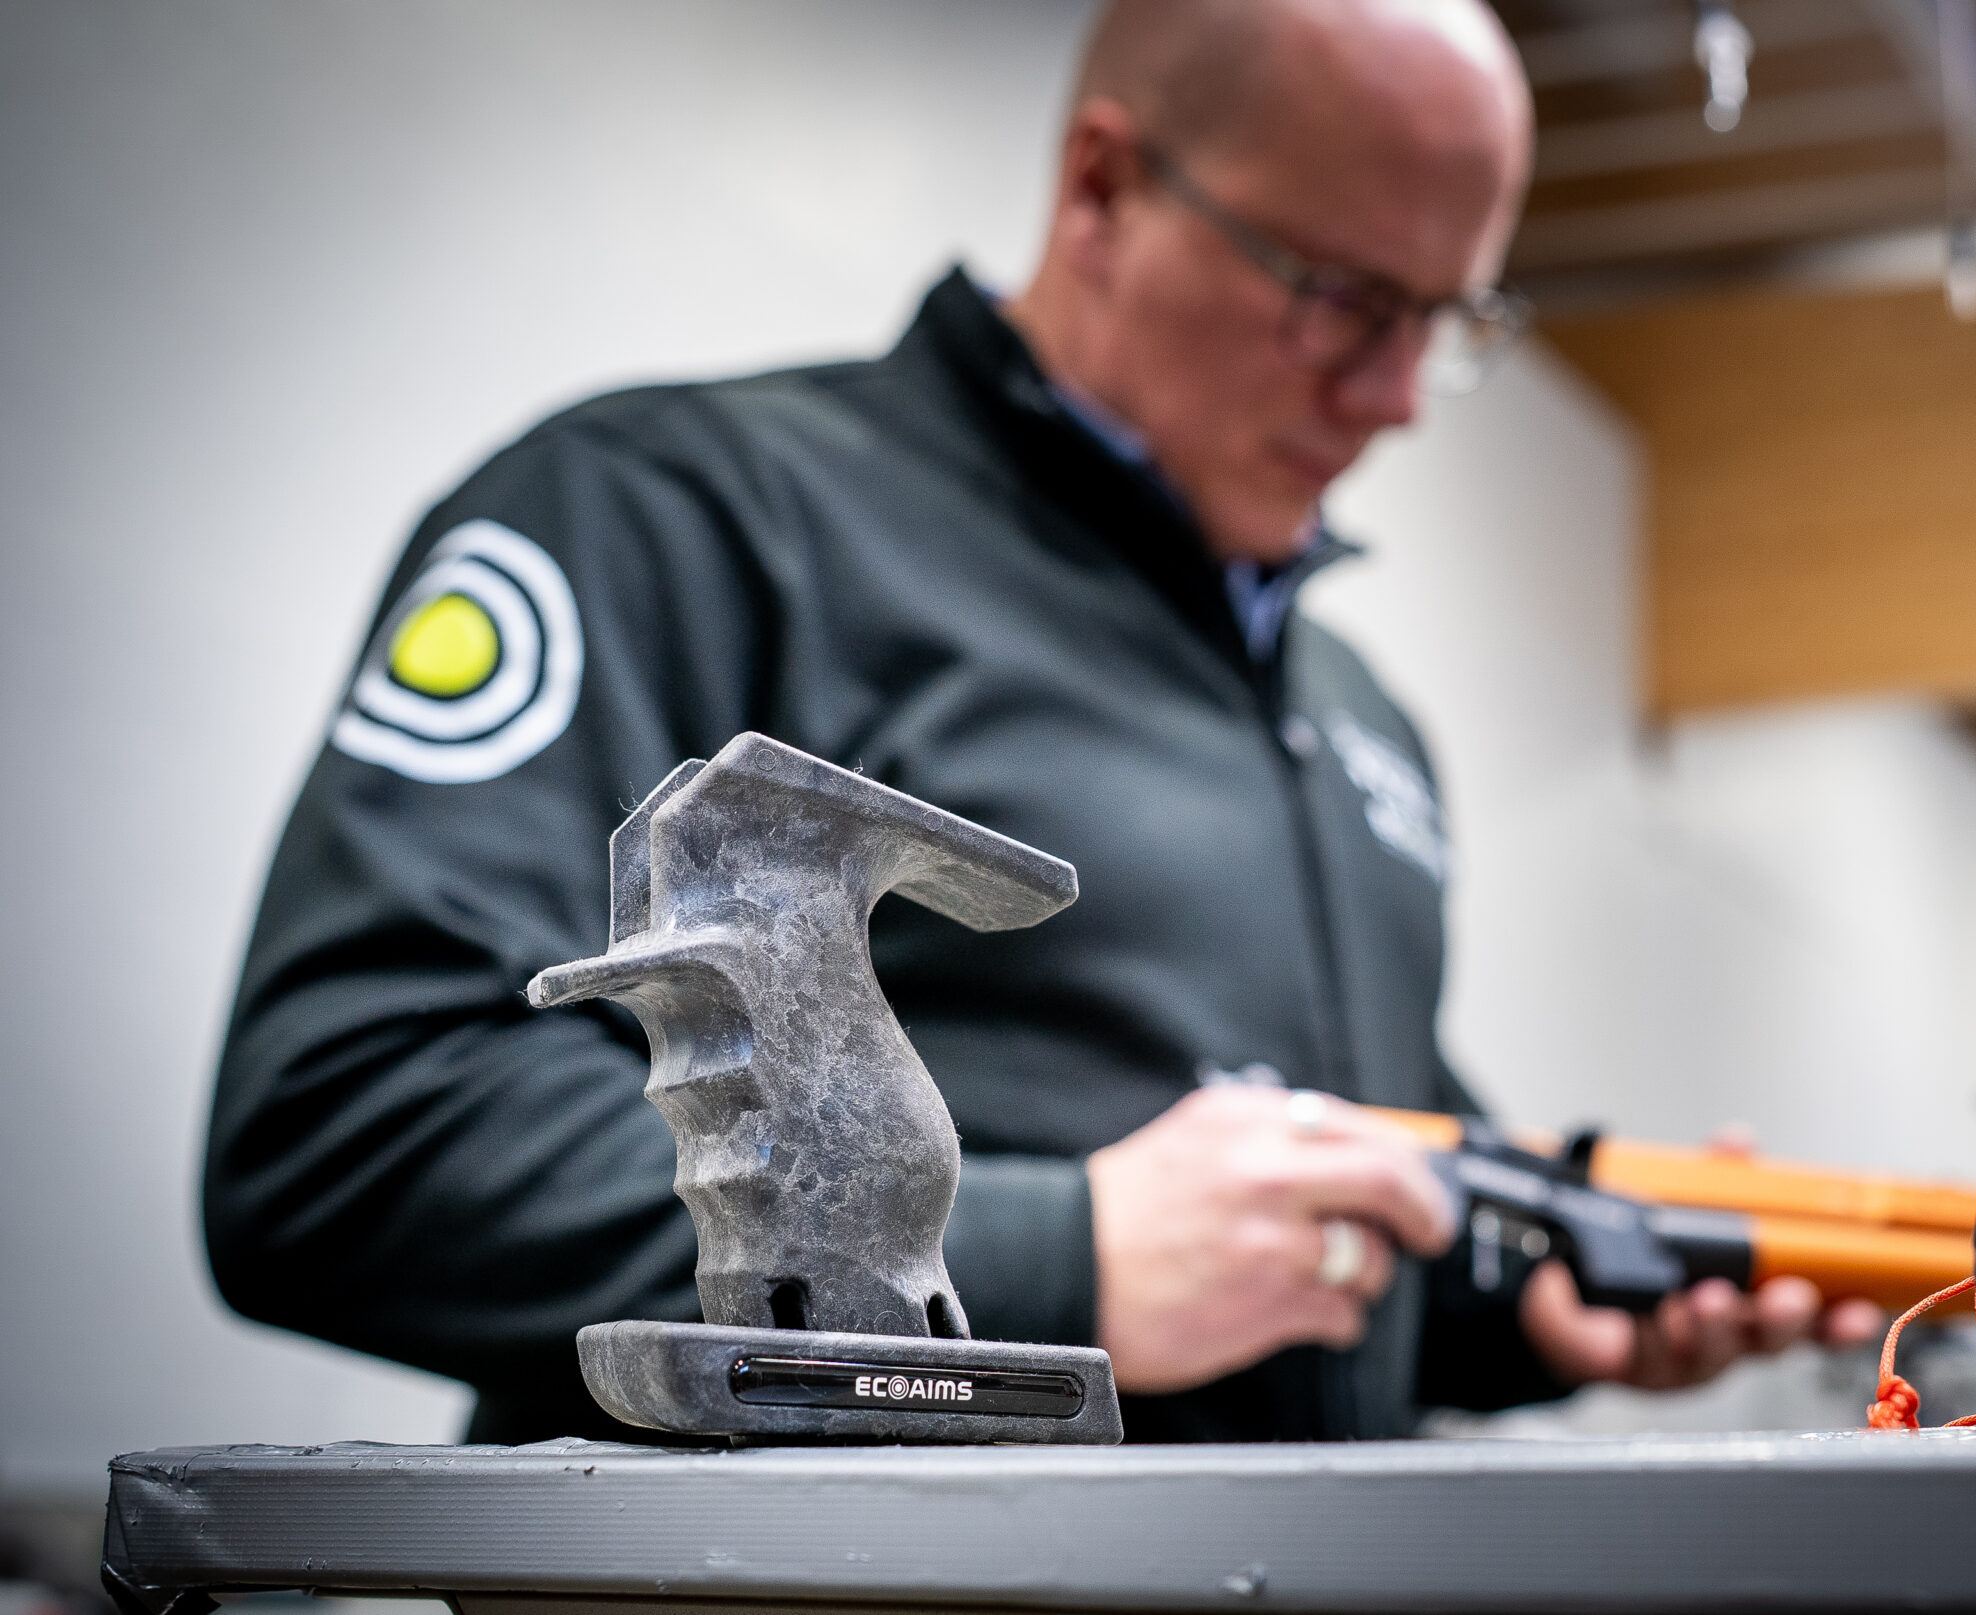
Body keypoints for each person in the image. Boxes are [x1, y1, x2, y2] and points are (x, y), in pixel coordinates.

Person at [204, 0, 1876, 1446]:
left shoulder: (1359, 720)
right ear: (1102, 189)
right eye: (1345, 298)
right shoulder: (686, 517)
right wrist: (1052, 1262)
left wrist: (1537, 1306)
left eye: (1446, 323)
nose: (1391, 399)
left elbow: (1307, 1258)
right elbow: (350, 1131)